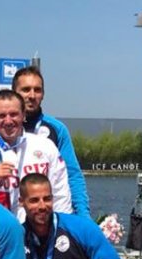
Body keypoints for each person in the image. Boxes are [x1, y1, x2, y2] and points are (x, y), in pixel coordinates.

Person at [0, 89, 71, 221]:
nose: (8, 121)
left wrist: (61, 227)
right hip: (2, 230)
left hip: (41, 229)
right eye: (1, 116)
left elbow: (60, 194)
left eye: (14, 114)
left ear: (23, 115)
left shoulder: (46, 146)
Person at [13, 66, 90, 217]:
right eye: (26, 89)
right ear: (14, 92)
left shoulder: (57, 129)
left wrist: (83, 217)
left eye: (37, 90)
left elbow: (73, 176)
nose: (32, 95)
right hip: (13, 216)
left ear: (43, 94)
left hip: (46, 216)